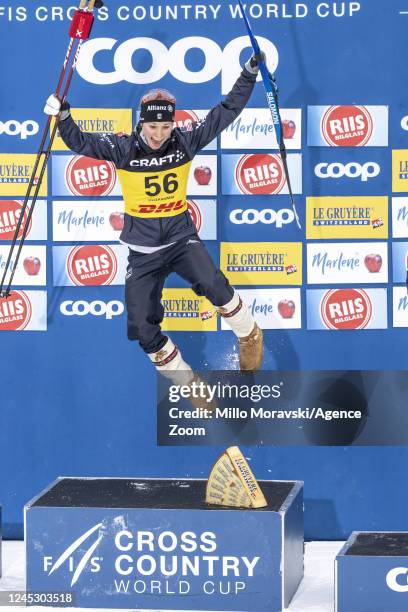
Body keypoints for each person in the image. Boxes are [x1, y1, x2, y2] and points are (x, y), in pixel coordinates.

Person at [45, 53, 265, 380]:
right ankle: (188, 382)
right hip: (143, 250)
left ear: (173, 124)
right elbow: (80, 142)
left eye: (165, 126)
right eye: (152, 126)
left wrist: (248, 73)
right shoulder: (123, 148)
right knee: (141, 328)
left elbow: (227, 111)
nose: (159, 134)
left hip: (181, 240)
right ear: (141, 123)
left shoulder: (185, 142)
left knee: (213, 284)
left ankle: (250, 334)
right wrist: (63, 116)